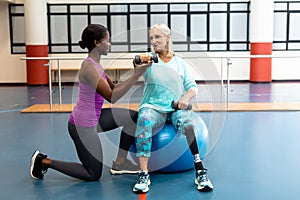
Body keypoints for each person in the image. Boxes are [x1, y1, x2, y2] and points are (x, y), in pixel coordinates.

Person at [30, 24, 152, 181]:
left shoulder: (96, 64)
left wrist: (136, 73)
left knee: (134, 116)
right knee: (93, 174)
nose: (110, 44)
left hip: (96, 117)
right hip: (83, 126)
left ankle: (120, 162)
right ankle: (43, 161)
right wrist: (136, 76)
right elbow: (111, 96)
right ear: (96, 43)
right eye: (107, 40)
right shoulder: (88, 67)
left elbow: (113, 87)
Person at [132, 24, 214, 193]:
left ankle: (200, 169)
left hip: (175, 108)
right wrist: (137, 64)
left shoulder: (180, 63)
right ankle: (143, 174)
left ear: (167, 38)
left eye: (157, 37)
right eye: (152, 38)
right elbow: (137, 69)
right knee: (144, 118)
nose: (153, 41)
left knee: (188, 125)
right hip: (153, 108)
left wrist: (185, 98)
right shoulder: (150, 60)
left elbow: (192, 86)